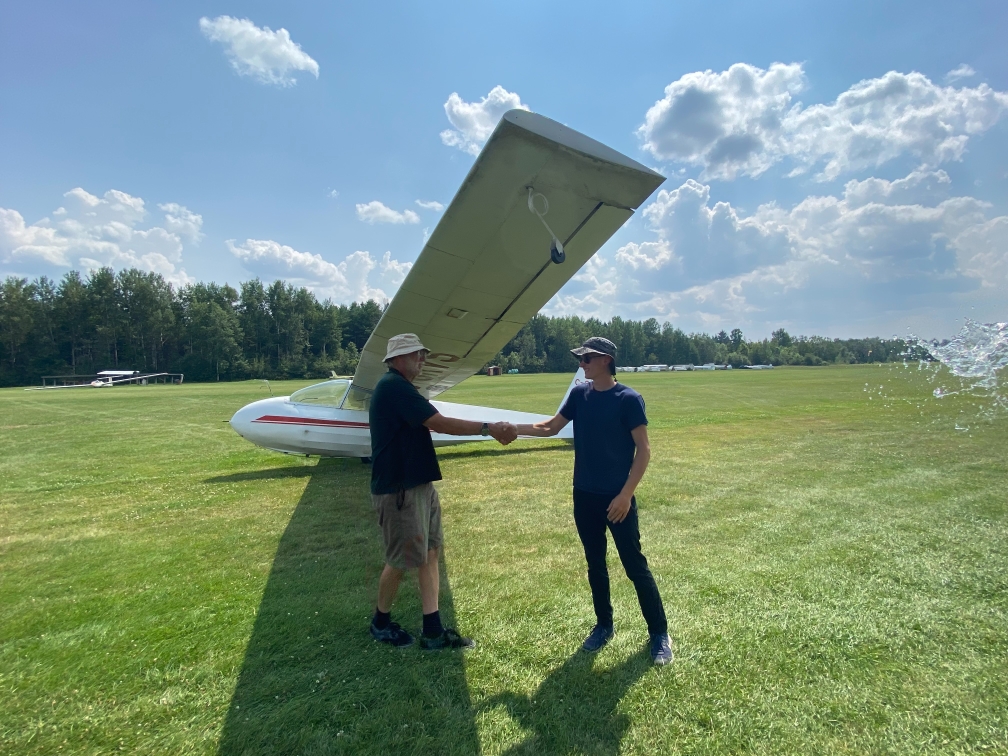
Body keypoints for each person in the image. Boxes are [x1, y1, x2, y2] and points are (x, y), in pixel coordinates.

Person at [516, 337, 672, 665]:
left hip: (617, 501)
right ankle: (603, 626)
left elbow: (644, 450)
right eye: (581, 359)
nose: (581, 364)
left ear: (605, 360)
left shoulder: (628, 399)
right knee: (595, 565)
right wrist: (510, 429)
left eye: (586, 358)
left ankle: (659, 634)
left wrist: (625, 495)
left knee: (635, 566)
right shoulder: (579, 395)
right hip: (584, 496)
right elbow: (550, 427)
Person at [368, 333, 517, 649]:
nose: (422, 359)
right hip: (400, 490)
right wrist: (488, 428)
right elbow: (439, 423)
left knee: (430, 551)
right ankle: (380, 623)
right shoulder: (393, 386)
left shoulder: (403, 388)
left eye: (422, 353)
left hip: (418, 485)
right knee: (400, 559)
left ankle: (433, 631)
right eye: (416, 354)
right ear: (397, 359)